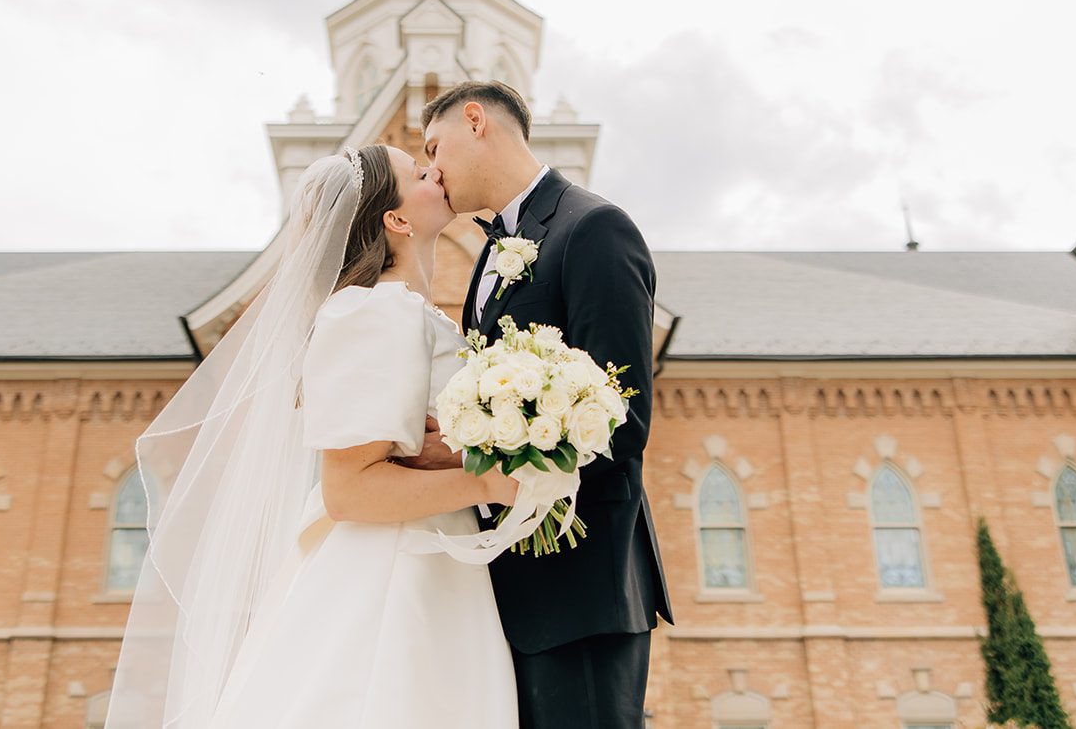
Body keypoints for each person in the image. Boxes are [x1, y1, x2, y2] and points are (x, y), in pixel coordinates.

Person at [106, 144, 519, 728]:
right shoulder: (374, 311)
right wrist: (490, 481)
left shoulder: (406, 311)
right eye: (420, 173)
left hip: (436, 557)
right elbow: (349, 490)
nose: (438, 172)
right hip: (391, 569)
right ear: (397, 220)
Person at [413, 79, 674, 729]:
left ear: (476, 121)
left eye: (434, 146)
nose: (431, 169)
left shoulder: (593, 228)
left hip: (580, 585)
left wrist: (467, 454)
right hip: (512, 585)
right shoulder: (493, 251)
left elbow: (621, 419)